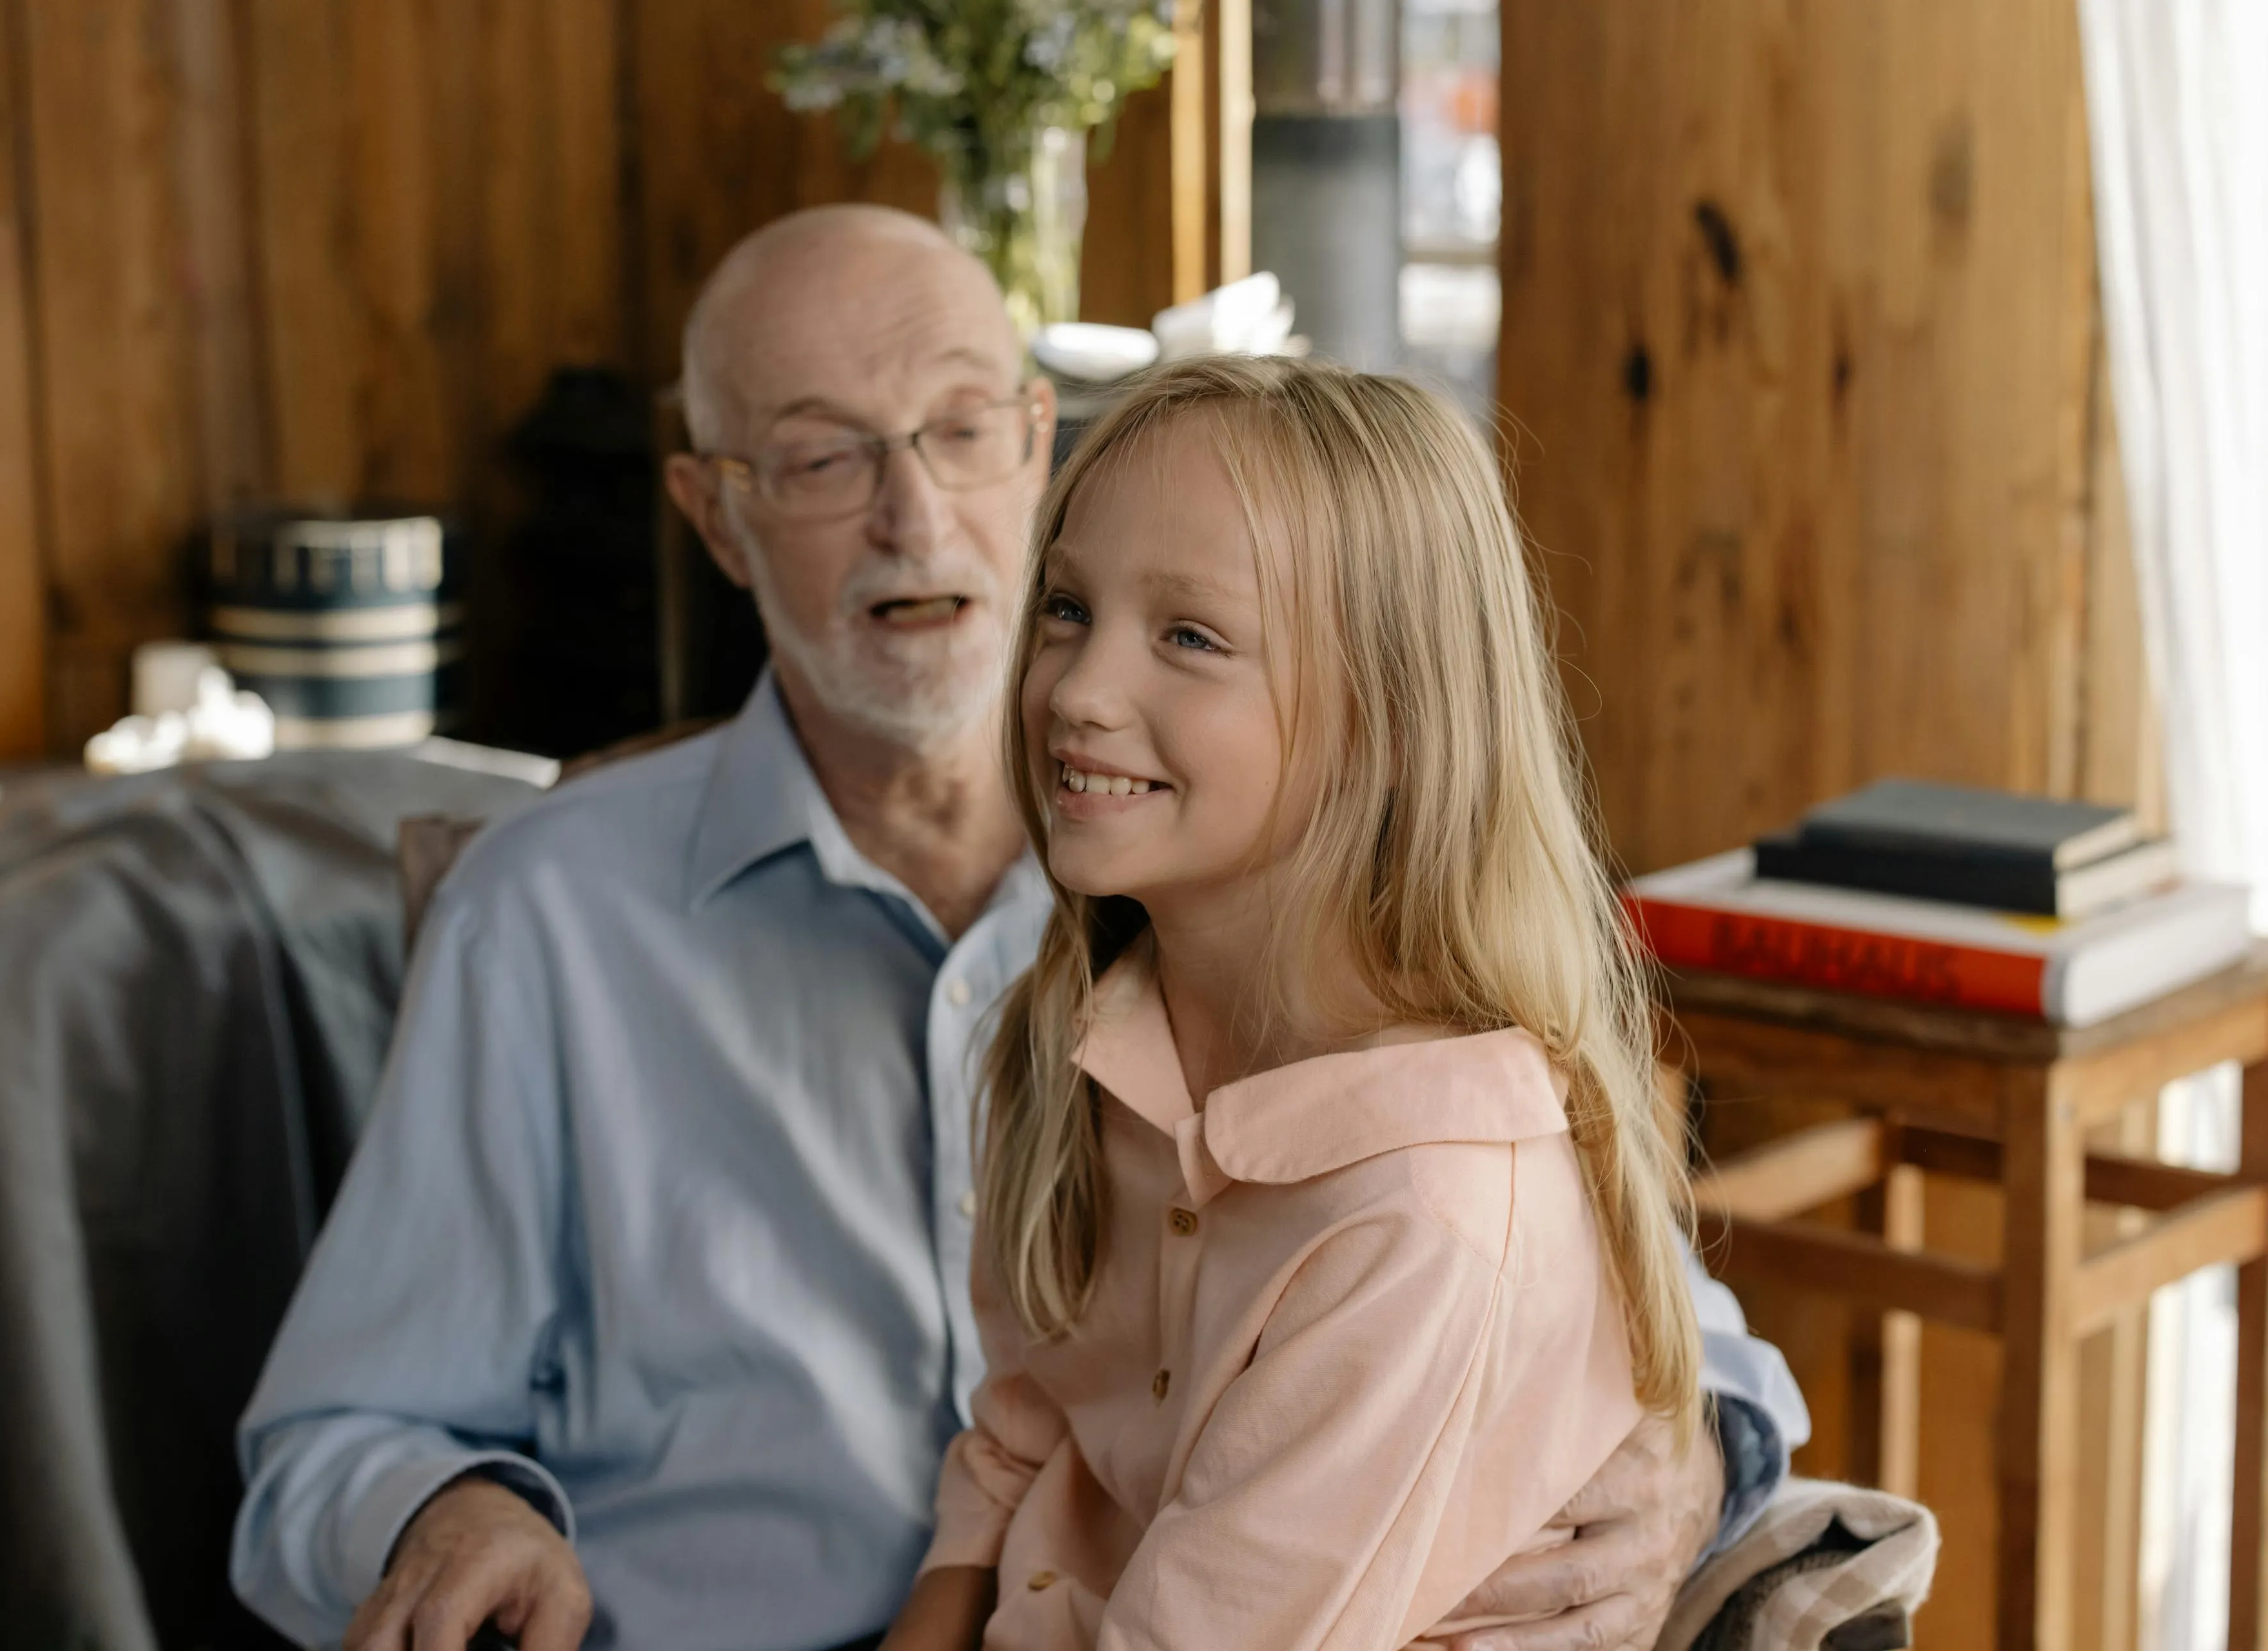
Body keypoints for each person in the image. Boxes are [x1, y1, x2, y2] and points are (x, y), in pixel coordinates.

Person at [229, 206, 1808, 1651]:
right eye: (822, 456)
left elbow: (1598, 1298)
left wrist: (1685, 1455)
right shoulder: (544, 914)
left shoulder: (1269, 925)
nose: (916, 514)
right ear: (716, 518)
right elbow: (328, 1437)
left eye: (962, 429)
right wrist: (454, 1509)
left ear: (1038, 443)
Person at [881, 354, 1699, 1651]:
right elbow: (1022, 1434)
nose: (1078, 692)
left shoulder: (1424, 1213)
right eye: (1065, 609)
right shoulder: (1074, 1035)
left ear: (1386, 715)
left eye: (1190, 637)